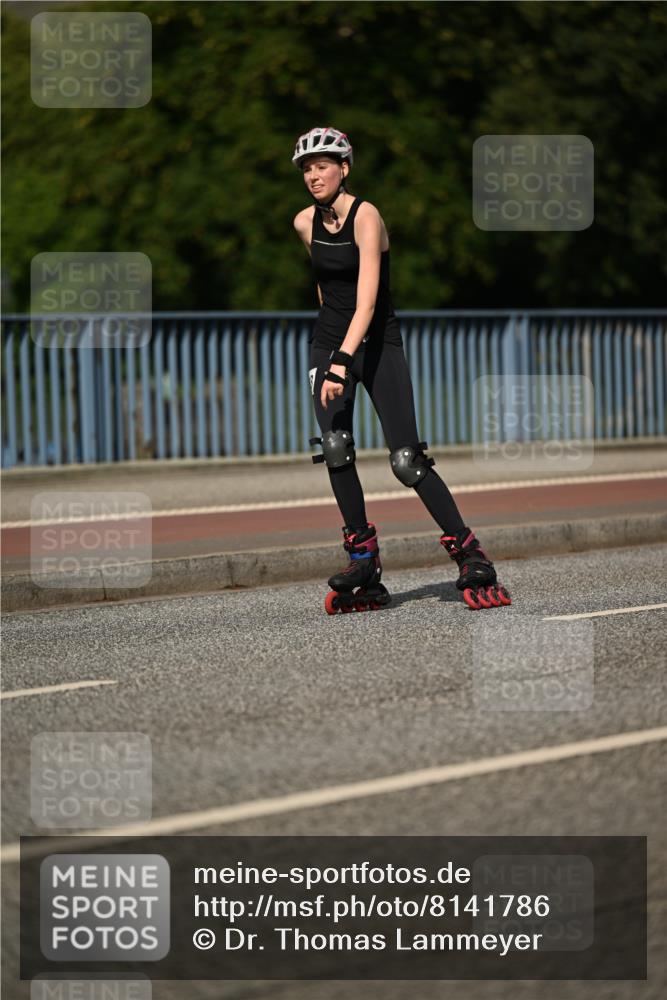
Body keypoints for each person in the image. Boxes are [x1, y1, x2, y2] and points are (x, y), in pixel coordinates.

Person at [292, 126, 511, 613]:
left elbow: (367, 302)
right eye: (307, 168)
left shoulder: (366, 216)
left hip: (376, 345)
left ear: (344, 168)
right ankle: (362, 560)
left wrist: (342, 363)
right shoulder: (304, 222)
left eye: (322, 166)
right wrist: (328, 354)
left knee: (406, 459)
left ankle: (471, 555)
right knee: (335, 446)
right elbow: (326, 288)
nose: (313, 176)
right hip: (329, 342)